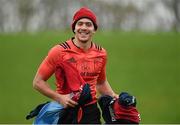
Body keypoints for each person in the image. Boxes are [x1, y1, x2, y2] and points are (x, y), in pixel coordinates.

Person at [33, 6, 118, 124]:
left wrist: (114, 96)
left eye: (88, 24)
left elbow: (101, 82)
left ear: (94, 29)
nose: (84, 27)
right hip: (66, 111)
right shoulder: (59, 51)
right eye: (80, 24)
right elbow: (38, 82)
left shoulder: (101, 53)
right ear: (74, 28)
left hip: (91, 112)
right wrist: (59, 98)